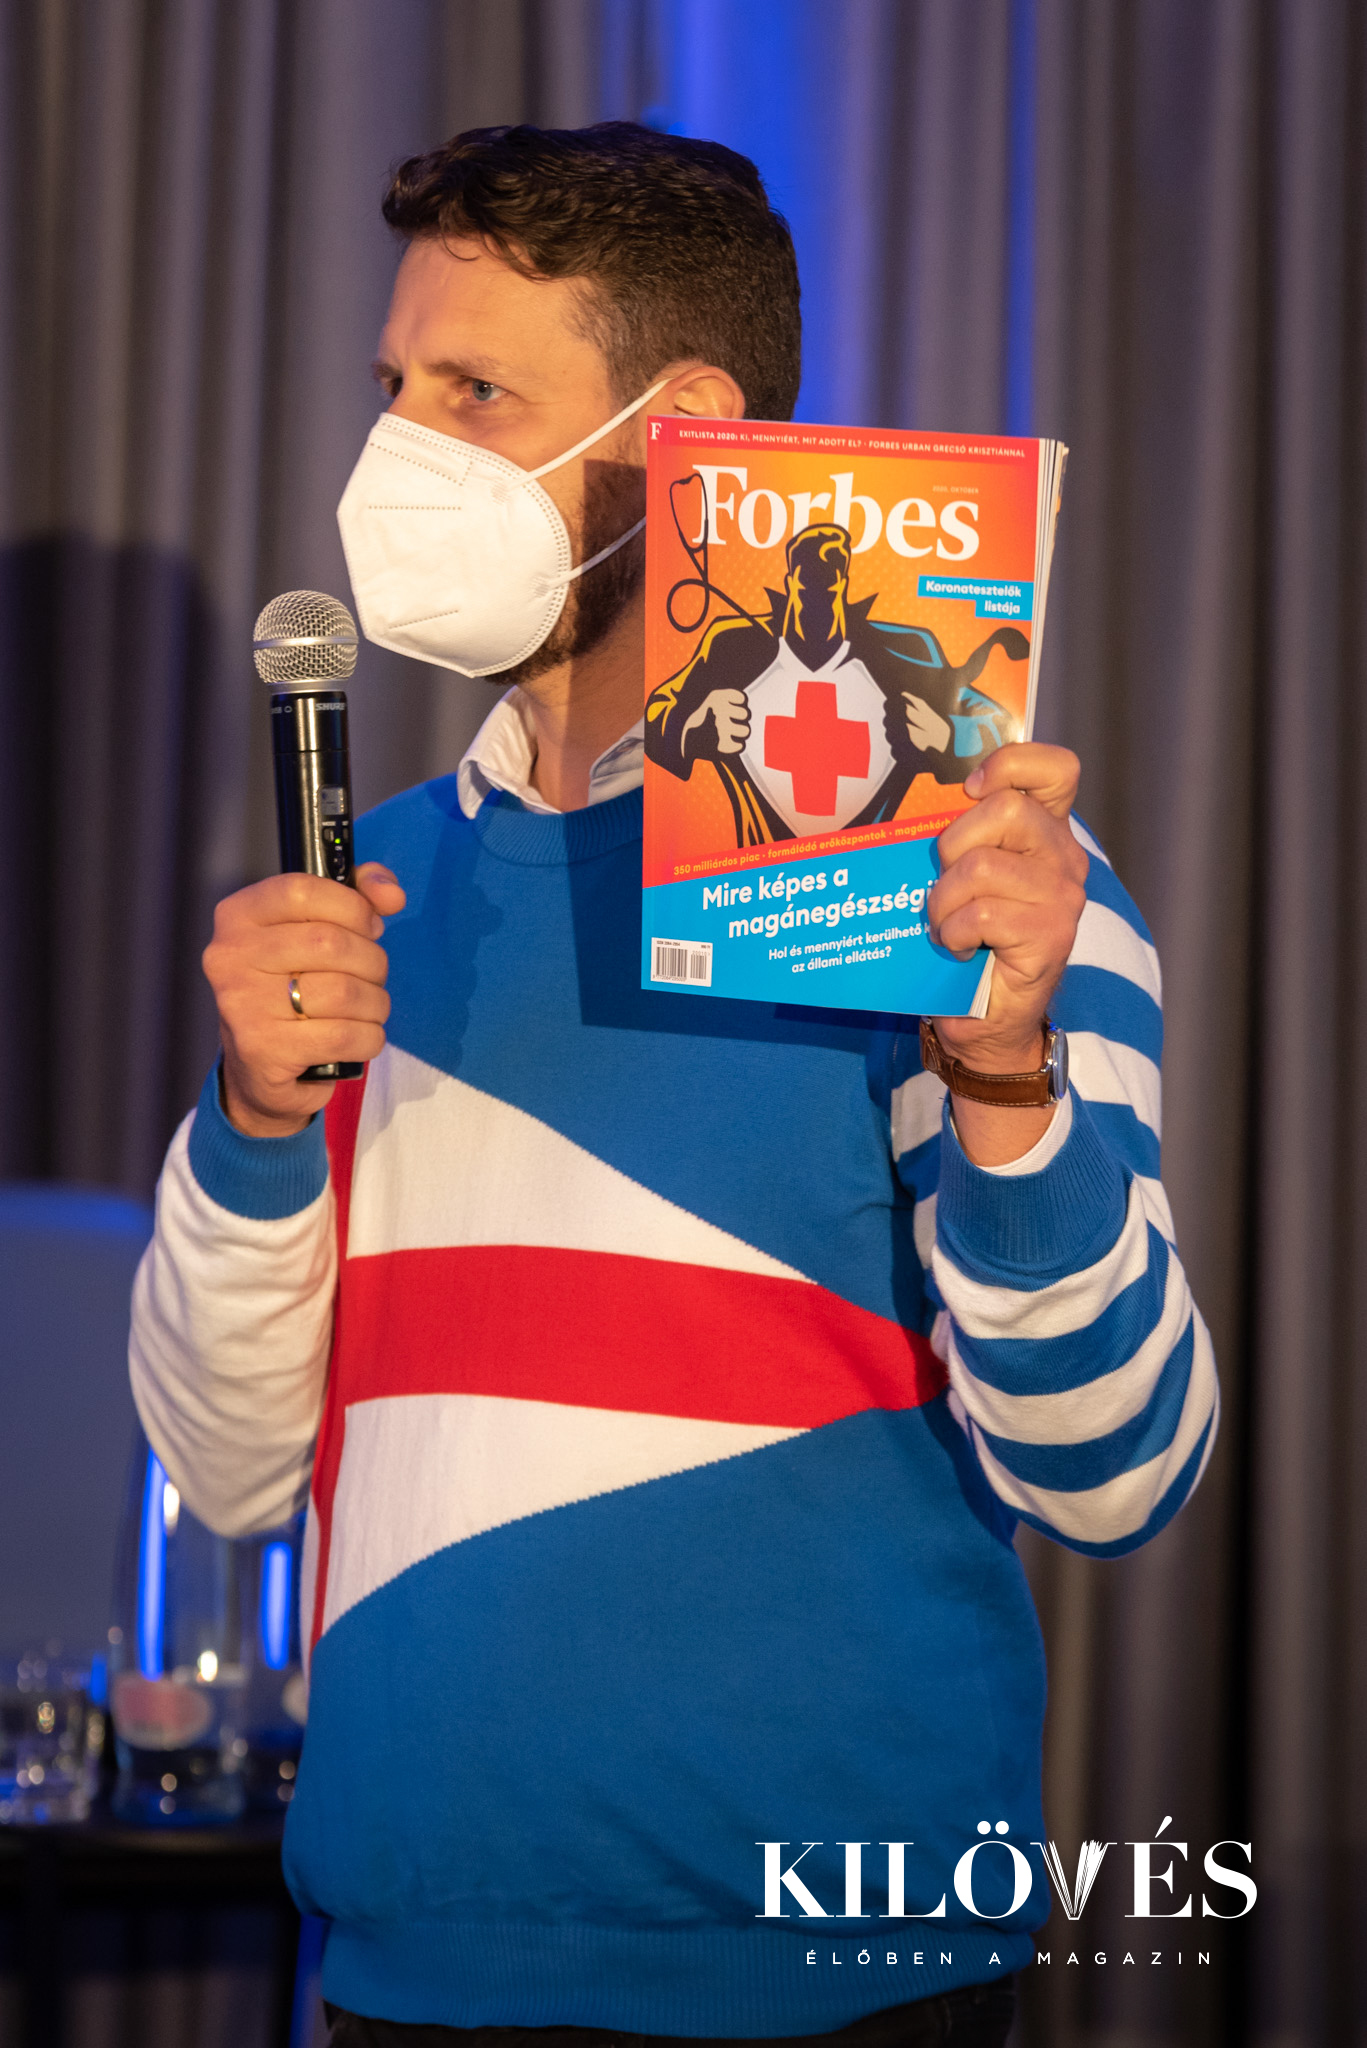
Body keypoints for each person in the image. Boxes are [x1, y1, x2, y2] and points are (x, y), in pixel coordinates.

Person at [129, 124, 1217, 2048]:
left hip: (836, 1984)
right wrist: (256, 1116)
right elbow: (226, 1470)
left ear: (686, 430)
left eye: (474, 392)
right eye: (393, 385)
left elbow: (1116, 1468)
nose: (398, 451)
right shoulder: (364, 890)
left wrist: (1000, 1070)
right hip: (405, 1973)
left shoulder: (952, 890)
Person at [644, 519, 1027, 843]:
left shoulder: (908, 653)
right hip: (745, 888)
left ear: (843, 583)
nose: (817, 599)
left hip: (873, 890)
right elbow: (657, 714)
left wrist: (945, 735)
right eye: (807, 584)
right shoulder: (731, 646)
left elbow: (1003, 730)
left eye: (828, 584)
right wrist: (693, 726)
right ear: (790, 582)